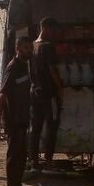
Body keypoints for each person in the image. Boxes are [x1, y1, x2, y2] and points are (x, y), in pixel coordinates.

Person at [0, 37, 37, 186]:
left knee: (21, 154)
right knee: (14, 154)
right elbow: (3, 92)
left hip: (23, 117)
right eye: (25, 48)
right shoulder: (13, 67)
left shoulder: (26, 66)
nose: (28, 50)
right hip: (13, 118)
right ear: (18, 48)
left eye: (30, 48)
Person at [29, 17, 64, 173]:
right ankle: (48, 162)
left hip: (35, 92)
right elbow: (53, 71)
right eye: (53, 30)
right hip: (49, 93)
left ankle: (34, 160)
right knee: (52, 126)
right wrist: (60, 88)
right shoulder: (48, 47)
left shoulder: (33, 46)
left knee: (36, 127)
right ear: (47, 28)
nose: (54, 34)